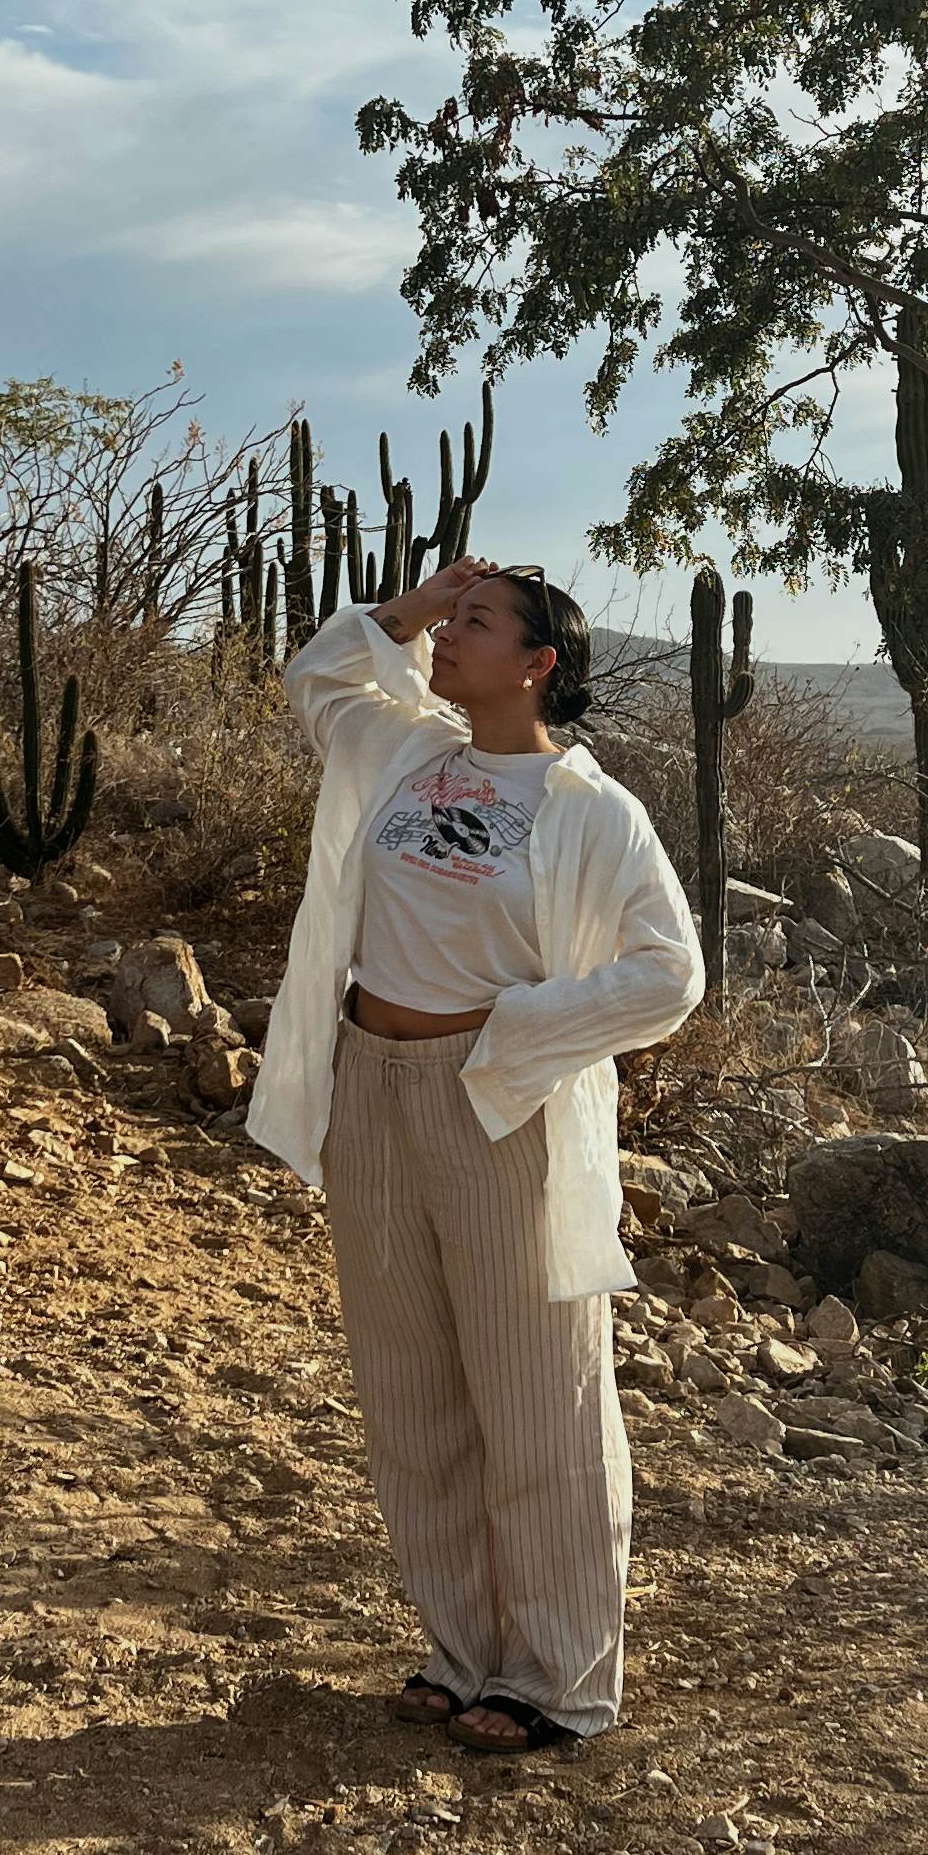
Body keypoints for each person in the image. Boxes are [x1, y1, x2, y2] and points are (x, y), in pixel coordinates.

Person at [246, 553, 704, 1754]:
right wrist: (409, 605)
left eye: (478, 624)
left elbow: (671, 975)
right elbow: (319, 677)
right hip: (370, 1090)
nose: (449, 638)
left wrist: (522, 1036)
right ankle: (462, 1650)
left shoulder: (592, 810)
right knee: (413, 1390)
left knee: (537, 1393)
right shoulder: (402, 751)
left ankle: (558, 1676)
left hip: (499, 1105)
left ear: (539, 664)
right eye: (449, 621)